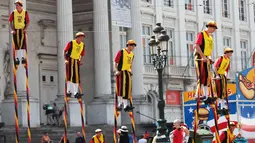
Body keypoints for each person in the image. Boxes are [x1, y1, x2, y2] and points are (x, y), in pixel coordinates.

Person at [194, 21, 218, 104]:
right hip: (200, 57)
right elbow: (196, 46)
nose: (214, 30)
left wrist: (209, 58)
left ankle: (206, 96)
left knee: (207, 78)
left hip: (206, 58)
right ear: (209, 27)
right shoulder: (201, 34)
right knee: (201, 76)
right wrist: (203, 57)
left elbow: (209, 50)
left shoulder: (210, 37)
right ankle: (197, 95)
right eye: (214, 28)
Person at [114, 40, 136, 112]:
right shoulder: (121, 52)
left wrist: (130, 71)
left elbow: (130, 64)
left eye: (133, 46)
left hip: (128, 72)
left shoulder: (132, 54)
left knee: (128, 89)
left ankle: (126, 105)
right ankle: (120, 104)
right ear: (128, 45)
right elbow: (116, 62)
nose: (133, 47)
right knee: (121, 88)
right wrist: (117, 70)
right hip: (121, 72)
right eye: (132, 45)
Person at [64, 32, 85, 98]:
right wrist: (65, 59)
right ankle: (68, 91)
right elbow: (65, 51)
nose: (82, 38)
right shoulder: (71, 43)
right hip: (70, 59)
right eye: (81, 37)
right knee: (70, 75)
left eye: (83, 37)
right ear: (77, 37)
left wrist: (80, 60)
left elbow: (81, 54)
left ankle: (75, 92)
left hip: (76, 61)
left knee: (76, 77)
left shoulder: (82, 45)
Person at [9, 0, 30, 65]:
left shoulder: (25, 12)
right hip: (16, 30)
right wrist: (12, 29)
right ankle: (17, 58)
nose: (16, 6)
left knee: (22, 44)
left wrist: (26, 29)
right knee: (17, 44)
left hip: (22, 30)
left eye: (17, 5)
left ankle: (23, 58)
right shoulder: (13, 13)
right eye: (16, 5)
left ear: (20, 6)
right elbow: (10, 21)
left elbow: (28, 21)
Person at [214, 47, 233, 114]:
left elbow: (227, 69)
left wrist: (226, 75)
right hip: (218, 75)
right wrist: (217, 75)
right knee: (219, 90)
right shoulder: (221, 58)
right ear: (226, 53)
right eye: (230, 53)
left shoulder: (228, 60)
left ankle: (223, 106)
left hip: (223, 76)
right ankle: (219, 106)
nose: (230, 55)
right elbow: (215, 67)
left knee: (223, 91)